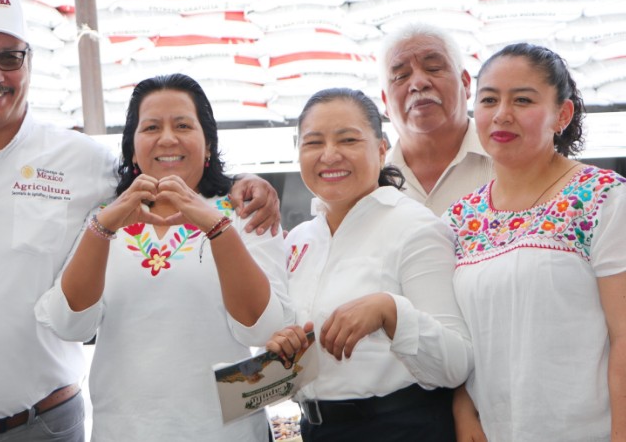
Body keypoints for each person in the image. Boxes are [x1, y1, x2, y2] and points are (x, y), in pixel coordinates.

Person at [0, 0, 281, 441]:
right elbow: (71, 319)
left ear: (29, 63)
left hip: (50, 427)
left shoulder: (85, 162)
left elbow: (277, 336)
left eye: (9, 58)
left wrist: (241, 186)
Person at [35, 73, 293, 441]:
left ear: (208, 145)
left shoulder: (246, 212)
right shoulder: (106, 219)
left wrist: (219, 229)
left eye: (183, 125)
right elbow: (69, 325)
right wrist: (102, 228)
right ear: (133, 148)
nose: (168, 138)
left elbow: (263, 329)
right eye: (151, 126)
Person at [267, 88, 472, 442]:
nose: (330, 155)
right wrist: (285, 345)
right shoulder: (300, 239)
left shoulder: (415, 228)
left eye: (348, 139)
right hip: (313, 428)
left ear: (381, 149)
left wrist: (391, 312)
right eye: (313, 142)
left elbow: (456, 364)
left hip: (396, 428)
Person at [446, 43, 626, 442]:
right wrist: (461, 406)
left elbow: (624, 334)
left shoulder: (603, 199)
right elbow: (454, 335)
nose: (502, 114)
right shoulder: (458, 219)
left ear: (562, 114)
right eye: (489, 100)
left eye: (522, 99)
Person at [380, 23, 493, 216]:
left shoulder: (509, 163)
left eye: (433, 68)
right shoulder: (372, 183)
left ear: (465, 83)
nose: (418, 84)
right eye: (401, 76)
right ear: (385, 103)